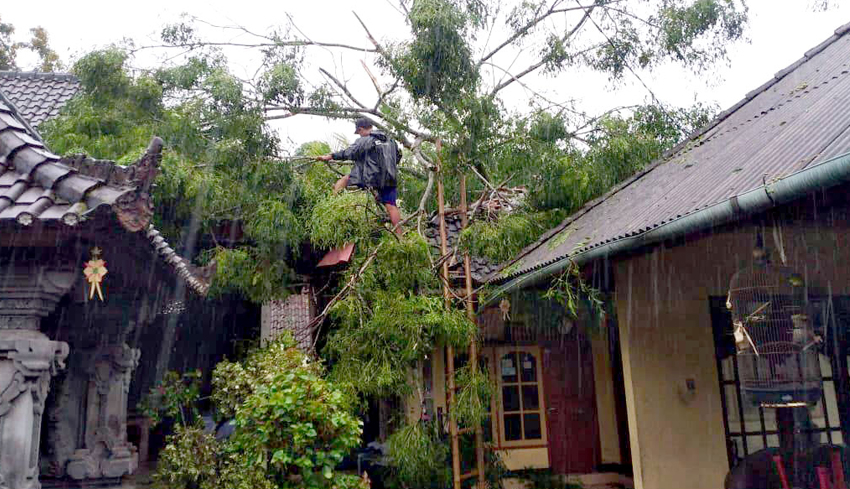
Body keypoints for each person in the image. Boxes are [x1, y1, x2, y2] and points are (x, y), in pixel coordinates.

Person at [317, 118, 402, 234]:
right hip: (390, 177)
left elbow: (349, 152)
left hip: (372, 178)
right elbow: (397, 157)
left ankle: (332, 204)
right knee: (391, 206)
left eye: (359, 132)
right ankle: (400, 236)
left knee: (345, 179)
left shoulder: (365, 140)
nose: (359, 135)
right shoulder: (390, 140)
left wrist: (330, 156)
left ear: (361, 129)